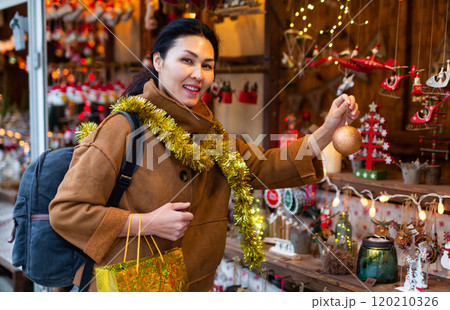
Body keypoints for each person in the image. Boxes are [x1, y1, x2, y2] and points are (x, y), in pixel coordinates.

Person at [49, 18, 359, 292]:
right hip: (134, 288)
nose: (198, 74)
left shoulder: (210, 136)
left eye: (207, 65)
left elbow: (265, 166)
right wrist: (145, 223)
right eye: (187, 60)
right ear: (158, 61)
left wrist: (327, 130)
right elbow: (67, 211)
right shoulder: (122, 128)